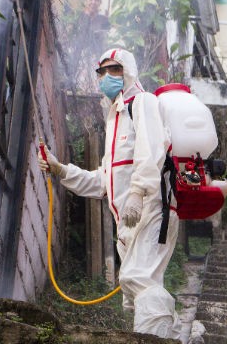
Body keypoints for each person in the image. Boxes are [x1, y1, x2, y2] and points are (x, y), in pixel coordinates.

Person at [38, 48, 182, 340]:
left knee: (137, 278)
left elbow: (151, 151)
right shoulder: (114, 119)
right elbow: (103, 181)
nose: (106, 76)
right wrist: (61, 170)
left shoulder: (142, 102)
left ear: (127, 71)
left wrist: (137, 193)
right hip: (128, 221)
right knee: (136, 291)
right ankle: (177, 334)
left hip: (154, 209)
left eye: (114, 69)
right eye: (101, 72)